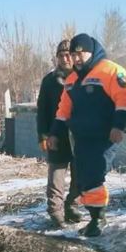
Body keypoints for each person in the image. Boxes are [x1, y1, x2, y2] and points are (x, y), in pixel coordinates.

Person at [48, 33, 126, 237]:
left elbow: (125, 100)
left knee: (94, 176)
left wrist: (119, 126)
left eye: (81, 54)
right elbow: (63, 110)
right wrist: (54, 133)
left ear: (92, 52)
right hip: (82, 137)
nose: (77, 59)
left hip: (104, 136)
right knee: (84, 179)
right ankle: (94, 215)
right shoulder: (71, 80)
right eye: (73, 55)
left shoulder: (110, 70)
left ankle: (98, 219)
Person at [36, 39, 83, 228]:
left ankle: (72, 205)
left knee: (80, 174)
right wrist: (43, 135)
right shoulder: (50, 81)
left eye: (68, 55)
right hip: (57, 135)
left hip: (80, 134)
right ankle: (56, 212)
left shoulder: (83, 77)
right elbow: (42, 110)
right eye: (61, 55)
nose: (65, 59)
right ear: (56, 58)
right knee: (57, 176)